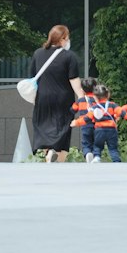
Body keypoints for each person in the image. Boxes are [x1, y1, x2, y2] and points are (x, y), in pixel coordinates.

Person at [29, 23, 84, 163]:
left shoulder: (38, 53)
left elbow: (33, 76)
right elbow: (74, 80)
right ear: (62, 39)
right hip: (63, 99)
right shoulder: (69, 56)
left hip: (43, 98)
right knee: (63, 127)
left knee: (45, 125)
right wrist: (83, 97)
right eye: (67, 38)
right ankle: (57, 155)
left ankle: (50, 153)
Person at [90, 86, 121, 163]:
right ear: (108, 95)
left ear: (95, 97)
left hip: (99, 129)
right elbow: (120, 113)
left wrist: (77, 122)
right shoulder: (113, 105)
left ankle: (97, 157)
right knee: (113, 148)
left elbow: (89, 118)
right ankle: (116, 160)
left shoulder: (94, 107)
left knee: (97, 146)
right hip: (111, 129)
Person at [71, 78, 98, 161]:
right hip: (97, 125)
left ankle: (87, 153)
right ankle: (96, 156)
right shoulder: (97, 100)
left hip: (85, 126)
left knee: (86, 143)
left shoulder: (80, 100)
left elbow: (73, 110)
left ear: (82, 90)